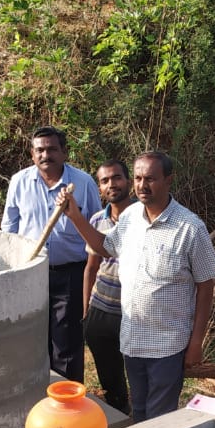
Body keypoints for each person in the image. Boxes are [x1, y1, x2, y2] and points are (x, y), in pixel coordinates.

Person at [57, 150, 215, 422]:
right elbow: (105, 248)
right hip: (133, 341)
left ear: (168, 180)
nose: (142, 186)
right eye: (137, 178)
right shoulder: (131, 216)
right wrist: (75, 217)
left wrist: (196, 343)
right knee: (141, 413)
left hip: (167, 346)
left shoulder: (190, 228)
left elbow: (206, 286)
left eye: (150, 179)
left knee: (159, 420)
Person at [1, 126, 101, 382]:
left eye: (52, 149)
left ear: (64, 152)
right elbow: (9, 228)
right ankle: (37, 394)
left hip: (70, 273)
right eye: (40, 150)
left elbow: (97, 227)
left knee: (66, 341)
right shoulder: (19, 182)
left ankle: (67, 402)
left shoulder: (82, 183)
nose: (46, 155)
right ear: (32, 154)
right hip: (30, 273)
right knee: (32, 334)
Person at [82, 159, 135, 414]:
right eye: (105, 181)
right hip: (102, 308)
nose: (111, 184)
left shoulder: (144, 218)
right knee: (109, 374)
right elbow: (91, 267)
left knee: (137, 371)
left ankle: (144, 417)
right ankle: (120, 412)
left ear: (129, 182)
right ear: (100, 188)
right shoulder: (95, 220)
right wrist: (86, 310)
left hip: (134, 312)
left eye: (116, 178)